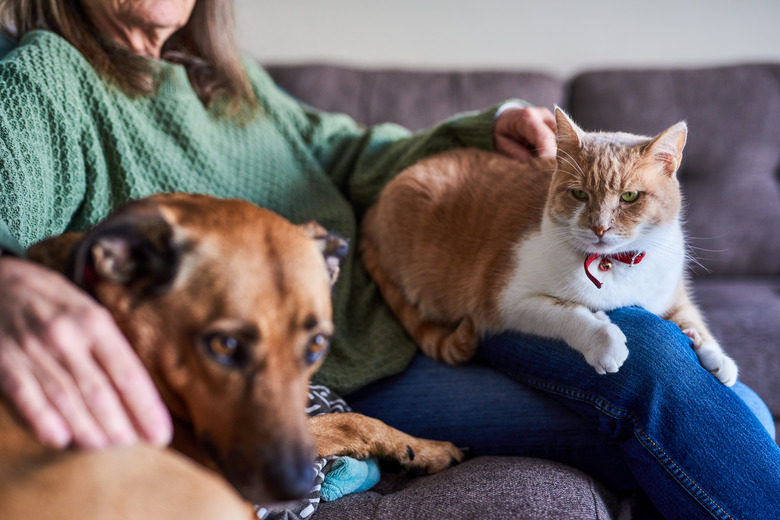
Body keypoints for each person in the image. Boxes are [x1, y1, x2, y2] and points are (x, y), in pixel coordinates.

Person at [0, 1, 776, 518]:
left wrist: (489, 127)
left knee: (728, 407)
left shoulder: (223, 84)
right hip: (362, 370)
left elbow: (347, 150)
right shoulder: (52, 81)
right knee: (665, 381)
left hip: (430, 294)